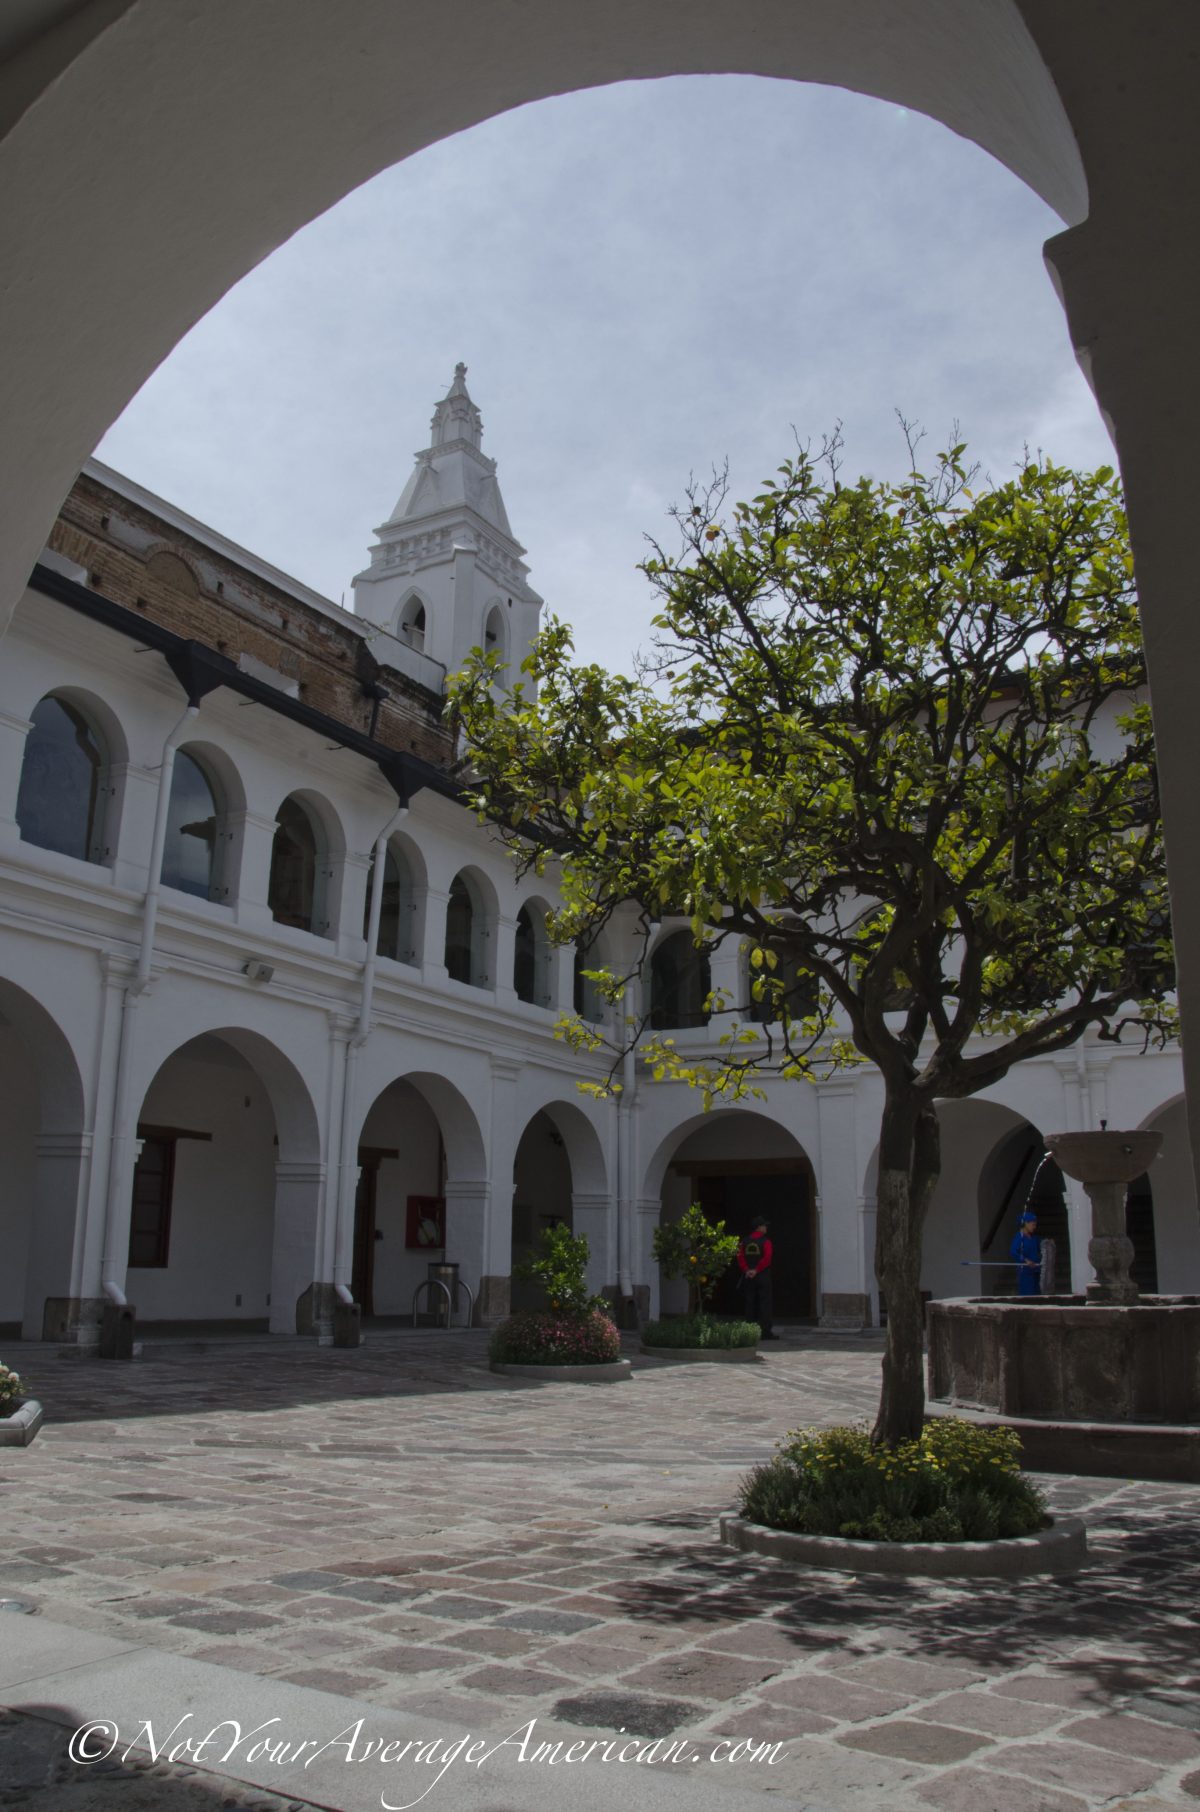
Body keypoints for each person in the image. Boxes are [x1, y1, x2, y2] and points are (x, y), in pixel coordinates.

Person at [737, 1217, 779, 1338]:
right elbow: (767, 1258)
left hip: (748, 1276)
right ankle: (765, 1332)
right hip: (762, 1275)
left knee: (750, 1302)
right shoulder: (766, 1241)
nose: (766, 1228)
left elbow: (740, 1257)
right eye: (764, 1225)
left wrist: (747, 1270)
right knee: (765, 1303)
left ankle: (749, 1331)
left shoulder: (744, 1241)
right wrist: (757, 1270)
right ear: (759, 1227)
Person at [1009, 1210, 1042, 1296]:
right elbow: (1013, 1251)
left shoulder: (1034, 1238)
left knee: (1037, 1296)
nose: (1034, 1227)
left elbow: (1042, 1246)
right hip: (1025, 1273)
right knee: (1028, 1296)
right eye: (1033, 1225)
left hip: (1036, 1272)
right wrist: (1025, 1260)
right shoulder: (1019, 1237)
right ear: (1026, 1223)